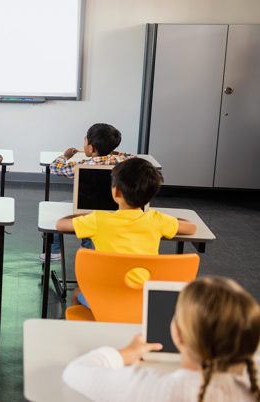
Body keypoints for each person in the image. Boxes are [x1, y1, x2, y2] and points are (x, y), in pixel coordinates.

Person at [63, 276, 260, 402]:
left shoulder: (153, 390)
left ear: (179, 335)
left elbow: (75, 371)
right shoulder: (252, 383)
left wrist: (125, 354)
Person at [56, 158, 196, 306]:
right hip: (144, 299)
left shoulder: (97, 220)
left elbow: (60, 225)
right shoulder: (158, 220)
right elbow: (191, 228)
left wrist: (83, 216)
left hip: (106, 298)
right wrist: (166, 218)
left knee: (78, 293)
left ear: (116, 191)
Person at [44, 123, 133, 262]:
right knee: (92, 212)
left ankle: (54, 251)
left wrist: (65, 156)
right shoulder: (126, 162)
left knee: (58, 211)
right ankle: (89, 249)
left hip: (87, 212)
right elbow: (130, 156)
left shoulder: (81, 166)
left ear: (91, 148)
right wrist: (113, 152)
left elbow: (55, 167)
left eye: (85, 141)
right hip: (118, 211)